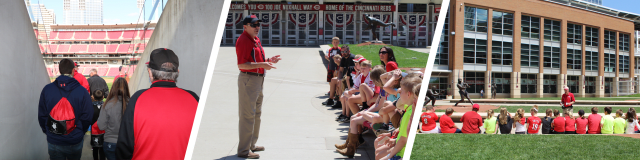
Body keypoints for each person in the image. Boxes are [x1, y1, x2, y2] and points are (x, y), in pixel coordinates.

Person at [115, 48, 199, 159]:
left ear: (150, 72)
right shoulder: (194, 99)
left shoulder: (138, 99)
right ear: (177, 72)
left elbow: (124, 148)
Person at [234, 15, 282, 159]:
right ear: (245, 27)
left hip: (258, 80)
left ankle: (251, 145)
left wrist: (268, 60)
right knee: (247, 116)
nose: (257, 27)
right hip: (248, 80)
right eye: (253, 24)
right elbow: (241, 65)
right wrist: (262, 64)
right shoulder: (243, 40)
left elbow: (256, 60)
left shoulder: (255, 39)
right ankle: (243, 150)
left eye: (258, 25)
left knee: (256, 114)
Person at [38, 59, 93, 160]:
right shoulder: (83, 91)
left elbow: (42, 115)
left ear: (60, 71)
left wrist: (48, 131)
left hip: (54, 139)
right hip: (74, 139)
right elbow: (88, 116)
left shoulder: (47, 89)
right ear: (73, 71)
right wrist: (80, 131)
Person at [97, 78, 130, 160]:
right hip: (126, 143)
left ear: (113, 88)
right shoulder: (132, 103)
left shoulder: (107, 104)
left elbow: (101, 126)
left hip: (110, 143)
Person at [322, 37, 342, 105]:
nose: (335, 43)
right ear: (332, 43)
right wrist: (327, 58)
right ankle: (331, 91)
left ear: (338, 43)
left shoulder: (340, 50)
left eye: (337, 42)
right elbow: (329, 58)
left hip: (337, 67)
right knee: (330, 80)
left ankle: (336, 92)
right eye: (334, 42)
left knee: (336, 79)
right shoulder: (330, 50)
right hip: (331, 66)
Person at [91, 90, 106, 160]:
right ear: (103, 97)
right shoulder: (106, 106)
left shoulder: (90, 107)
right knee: (102, 148)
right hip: (103, 130)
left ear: (93, 97)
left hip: (94, 132)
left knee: (95, 148)